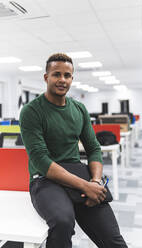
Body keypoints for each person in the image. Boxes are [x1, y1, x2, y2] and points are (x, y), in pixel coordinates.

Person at [19, 53, 128, 248]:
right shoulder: (31, 111)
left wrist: (95, 181)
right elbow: (41, 161)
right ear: (46, 77)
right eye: (56, 74)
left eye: (67, 75)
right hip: (44, 179)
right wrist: (85, 186)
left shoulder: (79, 109)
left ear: (72, 79)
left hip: (77, 172)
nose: (62, 80)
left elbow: (94, 148)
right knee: (62, 222)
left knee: (113, 239)